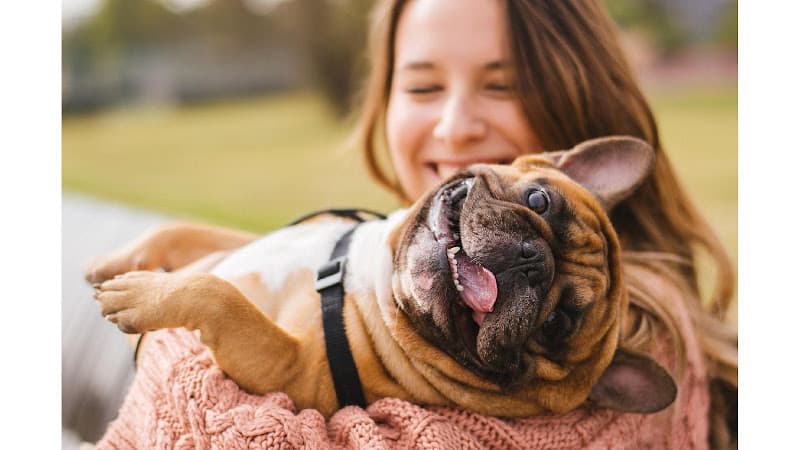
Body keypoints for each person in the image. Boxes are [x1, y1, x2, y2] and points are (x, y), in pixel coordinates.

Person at [91, 0, 737, 448]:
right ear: (381, 100)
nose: (455, 126)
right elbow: (285, 262)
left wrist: (166, 335)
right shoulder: (396, 254)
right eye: (424, 88)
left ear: (580, 99)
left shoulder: (636, 344)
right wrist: (182, 246)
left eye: (502, 86)